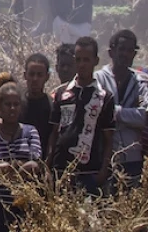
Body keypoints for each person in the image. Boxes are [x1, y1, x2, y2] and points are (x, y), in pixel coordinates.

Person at [47, 36, 116, 195]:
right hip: (61, 170)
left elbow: (108, 140)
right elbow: (54, 133)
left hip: (89, 172)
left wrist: (102, 173)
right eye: (78, 60)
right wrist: (48, 167)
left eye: (86, 59)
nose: (82, 64)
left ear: (96, 60)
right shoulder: (62, 93)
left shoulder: (104, 97)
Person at [0, 79, 42, 232]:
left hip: (26, 204)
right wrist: (14, 167)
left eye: (16, 104)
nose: (12, 108)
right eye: (8, 104)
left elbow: (35, 164)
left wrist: (3, 169)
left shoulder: (30, 132)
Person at [95, 29, 148, 185]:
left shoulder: (141, 81)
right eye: (121, 49)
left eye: (130, 50)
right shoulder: (98, 78)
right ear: (111, 52)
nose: (125, 54)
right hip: (103, 156)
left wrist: (115, 112)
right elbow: (97, 111)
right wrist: (131, 114)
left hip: (133, 157)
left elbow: (144, 117)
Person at [20, 54, 53, 157]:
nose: (35, 79)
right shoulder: (17, 103)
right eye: (31, 74)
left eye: (39, 75)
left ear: (47, 77)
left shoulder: (52, 106)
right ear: (25, 75)